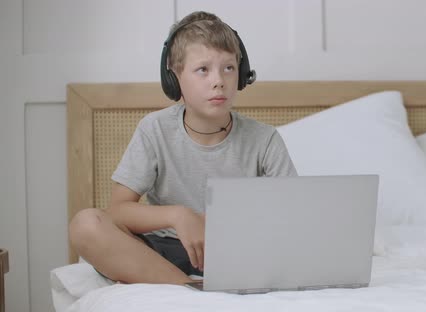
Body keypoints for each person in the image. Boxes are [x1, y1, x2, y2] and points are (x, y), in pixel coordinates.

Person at [68, 11, 297, 285]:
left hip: (240, 254)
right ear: (174, 78)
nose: (219, 81)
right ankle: (188, 287)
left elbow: (293, 216)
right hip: (162, 253)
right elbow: (117, 211)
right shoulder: (154, 130)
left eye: (229, 68)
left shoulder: (265, 139)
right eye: (203, 69)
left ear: (241, 74)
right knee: (85, 225)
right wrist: (179, 215)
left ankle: (200, 284)